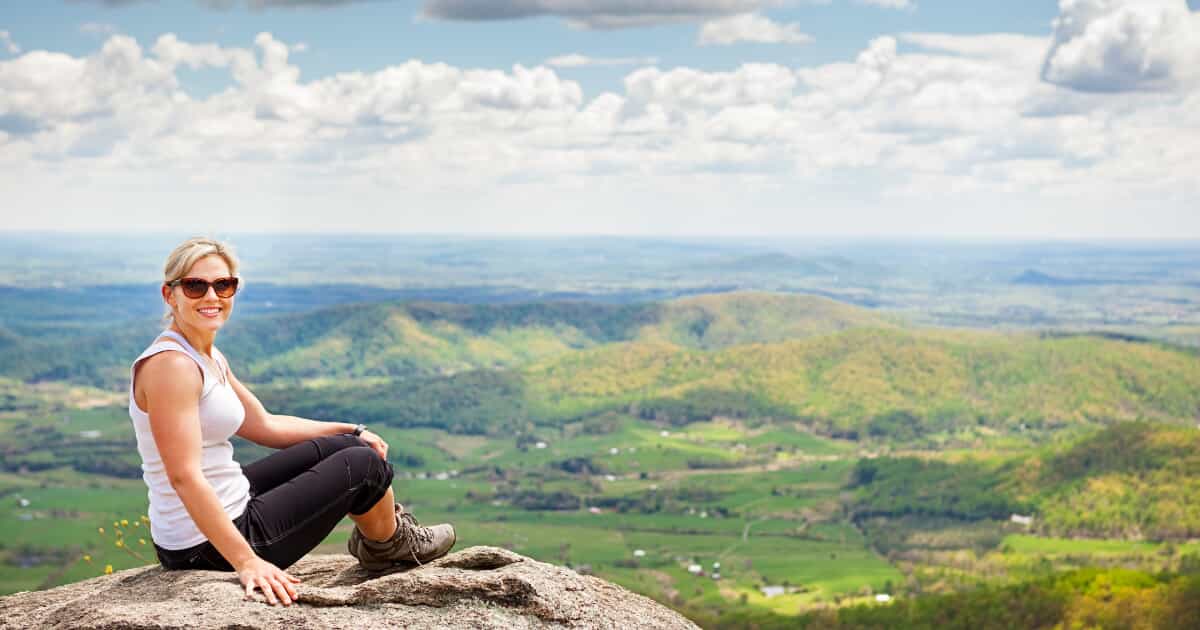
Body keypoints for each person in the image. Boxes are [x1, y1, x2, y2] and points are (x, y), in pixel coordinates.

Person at [129, 237, 455, 606]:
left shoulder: (205, 355)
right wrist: (247, 561)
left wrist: (349, 429)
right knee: (363, 465)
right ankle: (391, 546)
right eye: (194, 285)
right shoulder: (172, 366)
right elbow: (183, 476)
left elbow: (265, 426)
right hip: (204, 546)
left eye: (223, 284)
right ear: (169, 294)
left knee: (351, 447)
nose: (211, 296)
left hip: (229, 505)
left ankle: (384, 536)